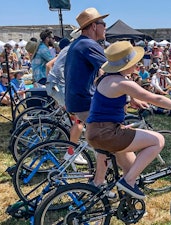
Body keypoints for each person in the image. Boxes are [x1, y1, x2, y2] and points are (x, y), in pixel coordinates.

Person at [85, 41, 171, 199]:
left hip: (94, 131)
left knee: (132, 167)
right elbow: (154, 98)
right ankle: (127, 182)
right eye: (134, 62)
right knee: (158, 140)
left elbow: (106, 101)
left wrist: (129, 100)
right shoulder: (123, 83)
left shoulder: (105, 79)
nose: (137, 64)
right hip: (107, 133)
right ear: (126, 64)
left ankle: (126, 202)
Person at [64, 8, 112, 185]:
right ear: (93, 26)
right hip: (84, 101)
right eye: (103, 24)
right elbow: (112, 69)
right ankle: (99, 184)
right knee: (108, 140)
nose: (105, 28)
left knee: (102, 140)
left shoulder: (79, 43)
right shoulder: (90, 45)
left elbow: (101, 71)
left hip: (76, 100)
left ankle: (102, 179)